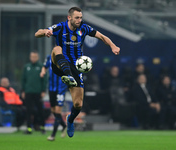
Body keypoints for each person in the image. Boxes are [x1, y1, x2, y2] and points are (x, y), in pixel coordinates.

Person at [35, 7, 120, 137]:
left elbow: (101, 36)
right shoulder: (60, 27)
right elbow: (38, 33)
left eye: (81, 17)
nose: (79, 20)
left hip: (76, 68)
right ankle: (67, 75)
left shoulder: (84, 28)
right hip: (59, 65)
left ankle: (70, 120)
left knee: (78, 104)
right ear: (69, 18)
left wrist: (113, 45)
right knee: (57, 48)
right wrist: (45, 31)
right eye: (77, 18)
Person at [40, 55, 68, 141]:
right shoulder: (49, 58)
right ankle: (64, 126)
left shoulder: (66, 58)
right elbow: (44, 67)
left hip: (61, 89)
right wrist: (43, 72)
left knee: (57, 111)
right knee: (54, 111)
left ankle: (53, 135)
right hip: (51, 89)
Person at [21, 51, 47, 134]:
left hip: (38, 92)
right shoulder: (26, 67)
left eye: (35, 57)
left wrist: (43, 90)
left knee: (40, 110)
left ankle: (42, 127)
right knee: (28, 111)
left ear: (38, 57)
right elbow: (23, 80)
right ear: (30, 57)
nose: (33, 58)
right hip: (28, 92)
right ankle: (29, 128)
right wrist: (23, 90)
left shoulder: (41, 67)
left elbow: (44, 80)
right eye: (32, 57)